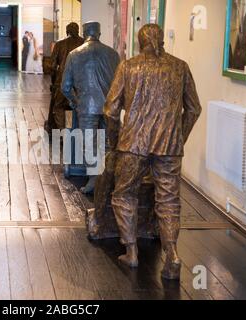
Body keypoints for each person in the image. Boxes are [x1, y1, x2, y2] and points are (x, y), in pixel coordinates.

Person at [104, 24, 202, 280]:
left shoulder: (128, 66)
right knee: (169, 200)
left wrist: (114, 141)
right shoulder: (180, 67)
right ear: (162, 42)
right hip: (169, 147)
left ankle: (132, 251)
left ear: (140, 42)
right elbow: (194, 109)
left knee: (124, 194)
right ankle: (172, 255)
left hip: (133, 145)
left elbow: (111, 111)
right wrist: (178, 137)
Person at [61, 21, 120, 194]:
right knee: (110, 143)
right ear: (99, 33)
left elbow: (65, 86)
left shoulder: (74, 55)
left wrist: (75, 101)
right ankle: (109, 180)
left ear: (84, 32)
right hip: (110, 107)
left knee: (89, 143)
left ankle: (94, 179)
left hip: (86, 107)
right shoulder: (113, 54)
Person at [46, 22, 84, 132]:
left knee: (59, 107)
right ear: (78, 31)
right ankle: (71, 129)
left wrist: (53, 81)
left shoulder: (60, 44)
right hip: (79, 82)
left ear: (67, 31)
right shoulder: (84, 44)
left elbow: (52, 66)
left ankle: (64, 131)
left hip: (62, 81)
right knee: (73, 106)